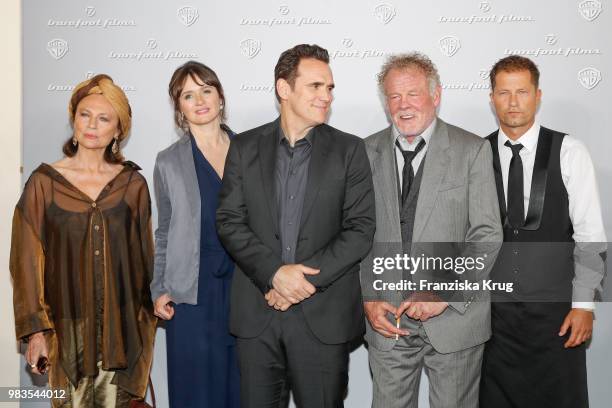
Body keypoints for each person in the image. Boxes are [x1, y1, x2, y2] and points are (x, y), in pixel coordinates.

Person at [216, 44, 376, 408]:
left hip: (321, 317)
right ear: (283, 89)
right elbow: (228, 220)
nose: (326, 96)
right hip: (257, 315)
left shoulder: (349, 150)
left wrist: (297, 282)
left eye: (330, 88)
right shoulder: (243, 147)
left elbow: (360, 229)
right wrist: (273, 274)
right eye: (316, 86)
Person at [360, 52, 502, 408]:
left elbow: (486, 235)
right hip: (387, 320)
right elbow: (355, 234)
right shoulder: (364, 152)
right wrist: (367, 297)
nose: (403, 105)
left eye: (412, 94)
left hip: (455, 319)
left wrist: (442, 294)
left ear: (435, 96)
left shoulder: (472, 150)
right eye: (394, 96)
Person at [10, 74, 156, 407]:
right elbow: (26, 264)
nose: (92, 125)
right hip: (66, 331)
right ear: (73, 119)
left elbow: (146, 262)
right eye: (84, 114)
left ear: (118, 130)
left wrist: (157, 303)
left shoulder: (132, 185)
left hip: (122, 333)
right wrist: (35, 332)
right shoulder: (43, 183)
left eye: (104, 118)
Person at [479, 55, 607, 408]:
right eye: (504, 93)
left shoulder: (570, 151)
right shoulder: (476, 153)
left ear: (538, 95)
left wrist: (583, 305)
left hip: (557, 315)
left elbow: (590, 236)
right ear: (492, 98)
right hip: (495, 320)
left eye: (522, 91)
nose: (514, 102)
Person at [150, 61, 239, 408]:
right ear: (179, 109)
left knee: (241, 387)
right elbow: (164, 231)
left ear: (220, 97)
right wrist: (159, 288)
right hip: (190, 292)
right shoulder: (168, 162)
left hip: (244, 288)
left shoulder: (250, 150)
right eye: (188, 95)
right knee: (196, 393)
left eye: (206, 90)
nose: (199, 100)